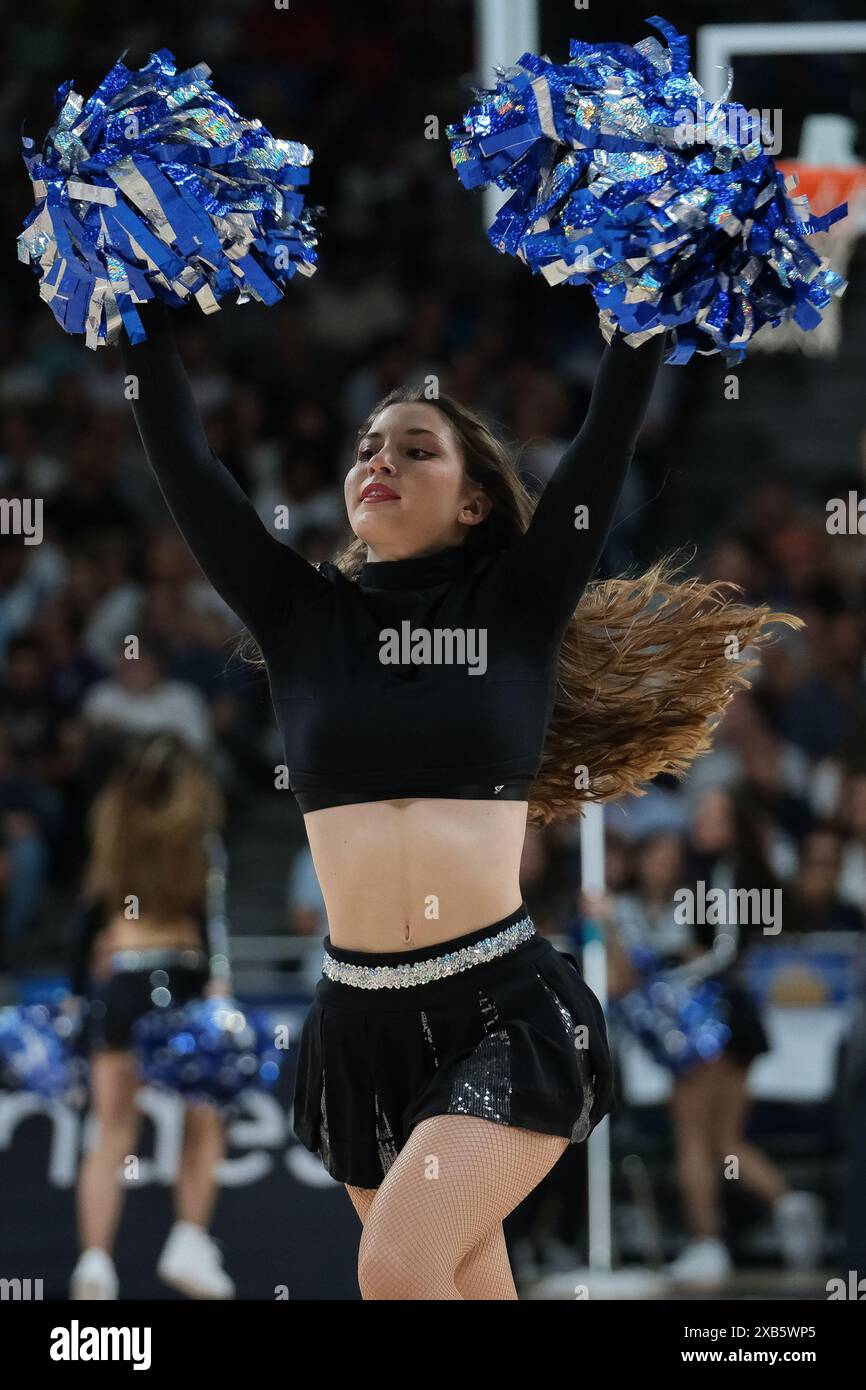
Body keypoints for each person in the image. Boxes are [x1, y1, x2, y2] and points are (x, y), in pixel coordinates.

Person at [118, 296, 790, 1300]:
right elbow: (184, 461)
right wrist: (141, 315)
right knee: (465, 1286)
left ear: (475, 499)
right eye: (364, 449)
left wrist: (644, 308)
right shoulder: (297, 612)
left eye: (414, 449)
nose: (375, 461)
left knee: (397, 1265)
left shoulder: (517, 602)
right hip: (356, 1023)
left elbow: (605, 439)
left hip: (499, 1010)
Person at [603, 812, 823, 1287]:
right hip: (726, 1023)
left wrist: (623, 940)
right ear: (640, 862)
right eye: (655, 857)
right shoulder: (643, 906)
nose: (664, 866)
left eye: (671, 858)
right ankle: (788, 1202)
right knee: (724, 1142)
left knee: (694, 1140)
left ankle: (706, 1243)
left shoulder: (689, 901)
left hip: (709, 1028)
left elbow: (630, 979)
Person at [66, 733, 235, 1300]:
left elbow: (86, 922)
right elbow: (213, 926)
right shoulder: (199, 841)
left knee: (110, 1133)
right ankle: (188, 1239)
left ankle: (94, 1264)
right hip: (182, 986)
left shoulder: (113, 840)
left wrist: (75, 993)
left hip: (122, 988)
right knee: (203, 1121)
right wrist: (219, 991)